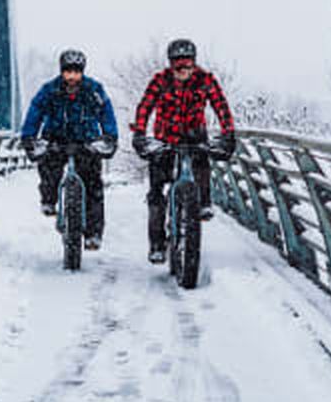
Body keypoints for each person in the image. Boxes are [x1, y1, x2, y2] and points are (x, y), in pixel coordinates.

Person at [130, 38, 236, 263]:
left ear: (194, 64)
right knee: (156, 192)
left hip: (195, 137)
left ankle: (204, 202)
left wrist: (228, 133)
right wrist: (140, 132)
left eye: (187, 65)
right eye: (178, 66)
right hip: (165, 138)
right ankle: (157, 244)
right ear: (170, 65)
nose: (183, 70)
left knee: (201, 167)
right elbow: (145, 106)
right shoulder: (160, 81)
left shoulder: (206, 80)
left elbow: (221, 106)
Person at [20, 49, 118, 250]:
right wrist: (29, 136)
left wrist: (109, 136)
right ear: (61, 72)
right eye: (68, 72)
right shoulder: (49, 90)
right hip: (56, 138)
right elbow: (35, 111)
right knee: (49, 168)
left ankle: (93, 233)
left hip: (85, 141)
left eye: (76, 72)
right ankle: (49, 199)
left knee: (93, 186)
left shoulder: (93, 89)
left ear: (82, 72)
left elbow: (106, 113)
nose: (72, 77)